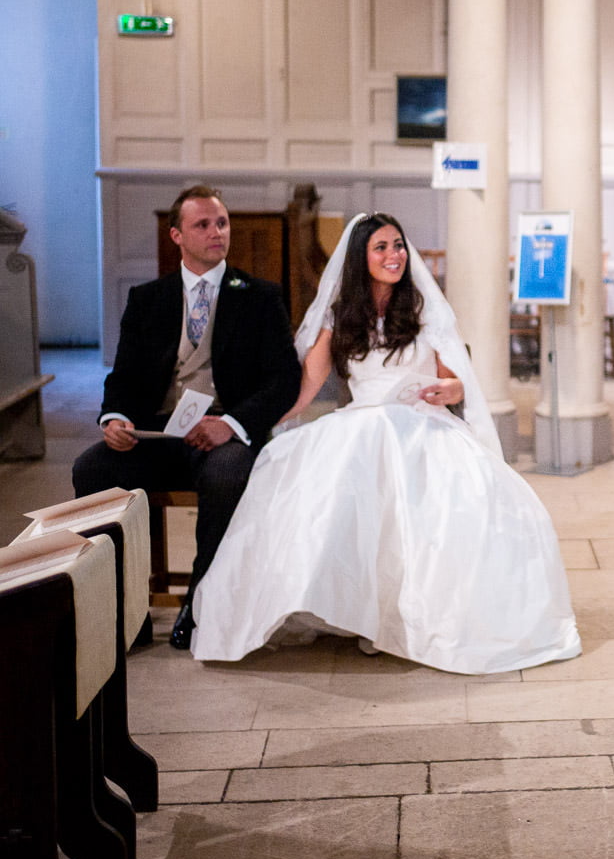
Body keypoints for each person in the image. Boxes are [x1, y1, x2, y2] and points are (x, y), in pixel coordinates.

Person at [189, 213, 582, 675]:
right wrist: (240, 424)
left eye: (398, 245)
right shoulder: (339, 315)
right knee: (320, 477)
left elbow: (455, 383)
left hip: (420, 422)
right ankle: (356, 608)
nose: (394, 255)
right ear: (361, 257)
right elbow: (304, 391)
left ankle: (410, 616)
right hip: (360, 423)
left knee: (457, 500)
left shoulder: (421, 310)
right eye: (382, 247)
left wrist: (447, 392)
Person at [74, 184, 301, 650]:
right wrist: (114, 418)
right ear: (177, 235)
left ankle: (200, 603)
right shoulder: (148, 299)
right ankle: (123, 609)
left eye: (222, 223)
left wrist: (231, 425)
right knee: (92, 468)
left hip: (222, 433)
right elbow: (125, 377)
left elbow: (283, 380)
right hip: (157, 435)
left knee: (227, 475)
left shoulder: (259, 296)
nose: (217, 232)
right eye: (203, 224)